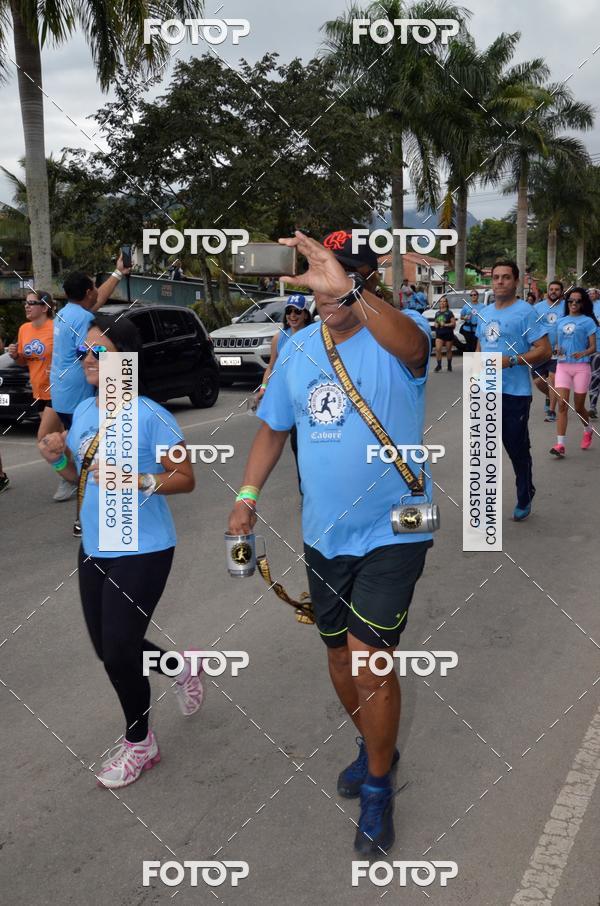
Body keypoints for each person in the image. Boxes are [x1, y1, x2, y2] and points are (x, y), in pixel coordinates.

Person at [227, 229, 433, 855]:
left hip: (398, 524)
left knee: (371, 659)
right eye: (320, 273)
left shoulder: (398, 338)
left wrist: (352, 291)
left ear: (364, 283)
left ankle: (377, 785)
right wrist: (246, 497)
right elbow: (272, 431)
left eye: (341, 276)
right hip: (325, 533)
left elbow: (418, 345)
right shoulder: (294, 349)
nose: (324, 286)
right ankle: (377, 744)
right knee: (341, 660)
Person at [38, 314, 201, 789]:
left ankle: (140, 743)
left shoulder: (151, 415)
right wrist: (59, 460)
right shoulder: (87, 412)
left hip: (144, 548)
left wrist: (137, 480)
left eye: (99, 352)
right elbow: (80, 480)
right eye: (83, 352)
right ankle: (180, 666)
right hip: (96, 545)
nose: (88, 359)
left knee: (119, 651)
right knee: (108, 647)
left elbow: (186, 478)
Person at [47, 258, 130, 502]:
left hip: (61, 392)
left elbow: (99, 299)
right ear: (86, 292)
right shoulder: (84, 320)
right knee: (85, 441)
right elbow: (93, 354)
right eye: (94, 286)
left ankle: (73, 478)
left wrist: (118, 272)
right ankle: (78, 482)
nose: (96, 290)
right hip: (78, 392)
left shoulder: (65, 313)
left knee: (72, 437)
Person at [476, 260, 551, 521]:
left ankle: (524, 493)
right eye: (496, 277)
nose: (499, 282)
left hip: (514, 394)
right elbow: (480, 346)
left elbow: (544, 349)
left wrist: (513, 360)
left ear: (516, 281)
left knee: (515, 448)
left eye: (506, 277)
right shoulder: (484, 312)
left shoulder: (526, 312)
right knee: (483, 451)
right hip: (485, 392)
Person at [256, 294, 313, 494]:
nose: (292, 315)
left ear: (306, 314)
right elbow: (270, 367)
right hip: (286, 400)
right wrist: (263, 389)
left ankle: (310, 491)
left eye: (297, 311)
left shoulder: (315, 335)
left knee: (306, 447)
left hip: (308, 401)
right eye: (289, 311)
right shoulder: (279, 337)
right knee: (295, 447)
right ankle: (304, 492)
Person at [549, 288, 597, 457]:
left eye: (577, 301)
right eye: (570, 301)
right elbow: (558, 344)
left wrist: (583, 353)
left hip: (581, 367)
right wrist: (557, 349)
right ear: (567, 303)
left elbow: (593, 347)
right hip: (563, 366)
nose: (574, 303)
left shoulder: (588, 322)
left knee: (577, 407)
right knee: (562, 404)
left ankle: (588, 429)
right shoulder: (560, 322)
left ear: (583, 303)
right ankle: (560, 444)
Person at [8, 289, 54, 436]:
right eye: (25, 303)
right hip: (38, 392)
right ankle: (73, 459)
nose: (26, 306)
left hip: (57, 391)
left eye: (31, 303)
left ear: (45, 307)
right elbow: (24, 362)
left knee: (45, 438)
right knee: (56, 438)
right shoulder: (24, 329)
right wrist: (15, 355)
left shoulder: (56, 328)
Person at [533, 281, 563, 423]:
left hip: (559, 351)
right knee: (538, 381)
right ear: (547, 292)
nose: (553, 291)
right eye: (551, 289)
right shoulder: (537, 308)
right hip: (541, 350)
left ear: (561, 292)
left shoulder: (566, 307)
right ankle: (549, 396)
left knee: (553, 379)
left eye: (557, 289)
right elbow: (531, 327)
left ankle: (551, 411)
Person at [433, 296, 456, 371]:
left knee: (448, 350)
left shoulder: (449, 313)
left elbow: (453, 324)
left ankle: (449, 365)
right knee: (438, 349)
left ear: (446, 303)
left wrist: (445, 324)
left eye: (444, 301)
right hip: (439, 334)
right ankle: (439, 365)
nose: (442, 303)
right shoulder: (437, 313)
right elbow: (436, 322)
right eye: (441, 301)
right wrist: (436, 324)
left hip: (448, 333)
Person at [588, 288, 600, 418]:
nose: (592, 295)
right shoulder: (585, 308)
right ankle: (592, 406)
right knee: (595, 376)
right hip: (595, 347)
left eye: (594, 292)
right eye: (590, 293)